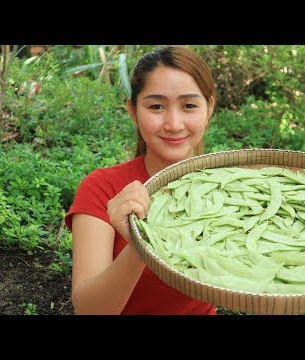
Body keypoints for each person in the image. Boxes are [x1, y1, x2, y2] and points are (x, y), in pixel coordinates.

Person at [65, 46, 217, 315]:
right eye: (156, 106)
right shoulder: (103, 189)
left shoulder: (225, 188)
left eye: (189, 105)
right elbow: (89, 310)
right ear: (133, 111)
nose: (173, 123)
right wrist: (140, 244)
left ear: (209, 109)